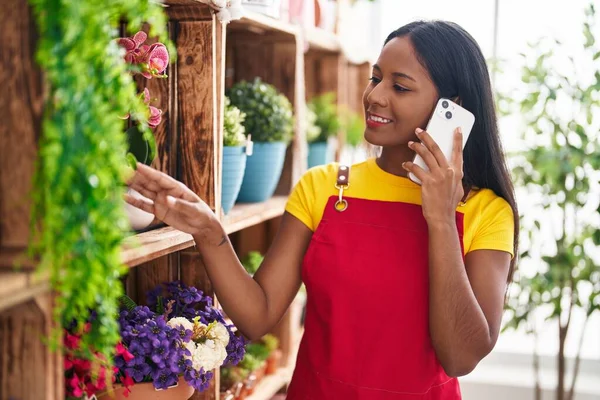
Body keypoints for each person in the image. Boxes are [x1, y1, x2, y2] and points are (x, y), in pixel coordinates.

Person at [126, 20, 519, 400]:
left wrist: (441, 220)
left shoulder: (487, 211)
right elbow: (258, 315)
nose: (375, 96)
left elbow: (461, 356)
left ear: (453, 108)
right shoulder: (324, 186)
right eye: (375, 77)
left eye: (399, 86)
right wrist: (210, 233)